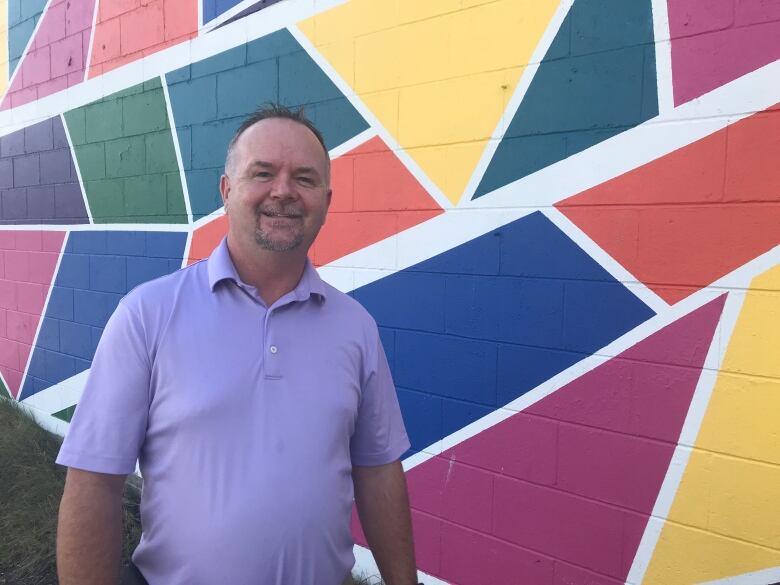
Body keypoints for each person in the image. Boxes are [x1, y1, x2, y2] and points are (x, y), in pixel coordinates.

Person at [55, 104, 419, 585]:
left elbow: (378, 472)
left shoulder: (356, 328)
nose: (284, 191)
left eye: (304, 179)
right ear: (227, 190)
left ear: (326, 200)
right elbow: (93, 483)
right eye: (262, 172)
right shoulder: (148, 315)